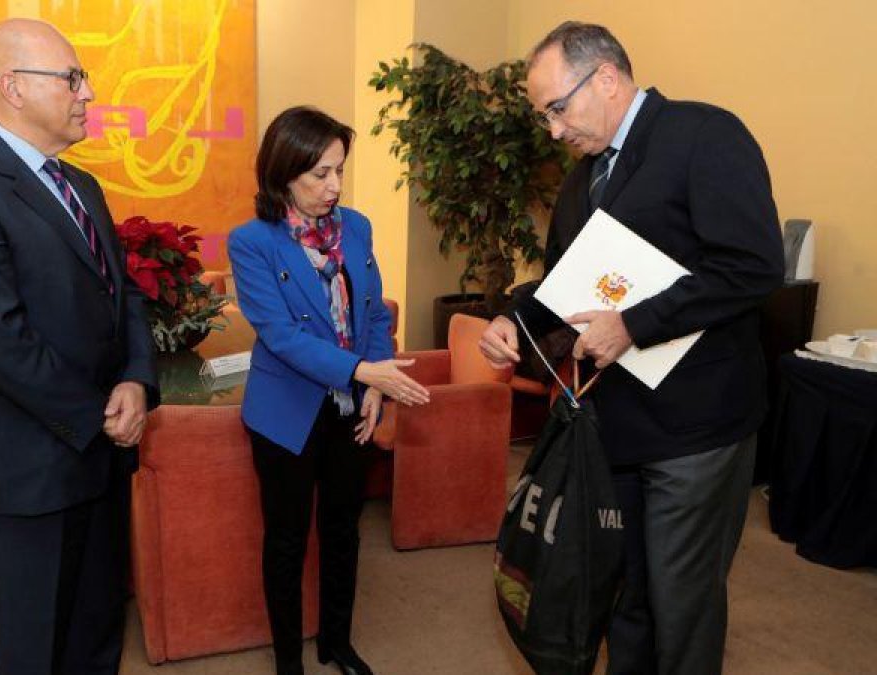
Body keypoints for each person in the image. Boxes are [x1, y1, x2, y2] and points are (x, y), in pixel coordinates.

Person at [479, 22, 784, 675]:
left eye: (557, 109)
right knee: (624, 597)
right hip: (615, 428)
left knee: (682, 603)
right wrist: (516, 318)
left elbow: (754, 266)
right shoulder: (579, 180)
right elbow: (565, 283)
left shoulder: (704, 135)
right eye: (544, 118)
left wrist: (636, 323)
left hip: (698, 428)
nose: (553, 130)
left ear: (607, 78)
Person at [0, 18, 158, 675]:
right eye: (73, 78)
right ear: (11, 86)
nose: (89, 93)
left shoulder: (84, 187)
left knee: (97, 626)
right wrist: (97, 415)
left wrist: (135, 381)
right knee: (36, 642)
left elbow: (124, 298)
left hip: (104, 451)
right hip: (32, 464)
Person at [228, 106, 431, 675]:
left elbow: (372, 316)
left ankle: (337, 641)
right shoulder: (253, 242)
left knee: (344, 530)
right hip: (286, 414)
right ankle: (288, 660)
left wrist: (375, 387)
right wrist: (365, 374)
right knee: (287, 542)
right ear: (282, 174)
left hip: (351, 410)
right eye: (319, 174)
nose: (334, 186)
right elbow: (281, 336)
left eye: (339, 170)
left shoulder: (358, 227)